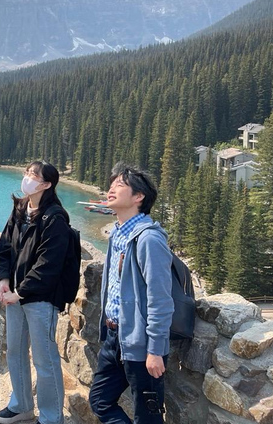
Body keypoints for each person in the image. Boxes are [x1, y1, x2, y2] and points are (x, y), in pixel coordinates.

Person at [89, 162, 174, 424]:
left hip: (142, 346)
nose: (111, 188)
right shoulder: (118, 234)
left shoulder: (148, 239)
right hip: (115, 338)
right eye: (111, 183)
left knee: (147, 417)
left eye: (120, 185)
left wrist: (155, 350)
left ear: (139, 197)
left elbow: (160, 300)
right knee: (100, 400)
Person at [0, 161, 76, 424]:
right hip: (15, 294)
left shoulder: (55, 218)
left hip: (40, 298)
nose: (27, 178)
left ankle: (52, 418)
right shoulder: (21, 208)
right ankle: (21, 405)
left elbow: (48, 264)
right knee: (15, 351)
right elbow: (5, 245)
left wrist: (20, 293)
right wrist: (5, 279)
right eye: (27, 172)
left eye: (33, 175)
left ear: (47, 184)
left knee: (44, 359)